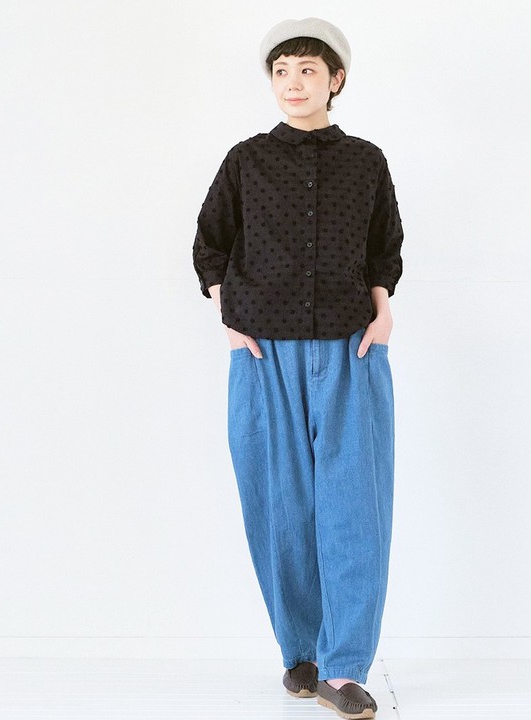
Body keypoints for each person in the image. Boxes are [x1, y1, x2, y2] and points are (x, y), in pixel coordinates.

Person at [192, 17, 404, 720]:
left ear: (335, 80)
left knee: (355, 506)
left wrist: (382, 311)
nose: (293, 83)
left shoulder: (366, 161)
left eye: (307, 70)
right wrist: (228, 315)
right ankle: (301, 653)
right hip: (262, 352)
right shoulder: (246, 160)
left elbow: (384, 247)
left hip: (352, 346)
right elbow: (210, 244)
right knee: (279, 504)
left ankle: (345, 666)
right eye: (281, 71)